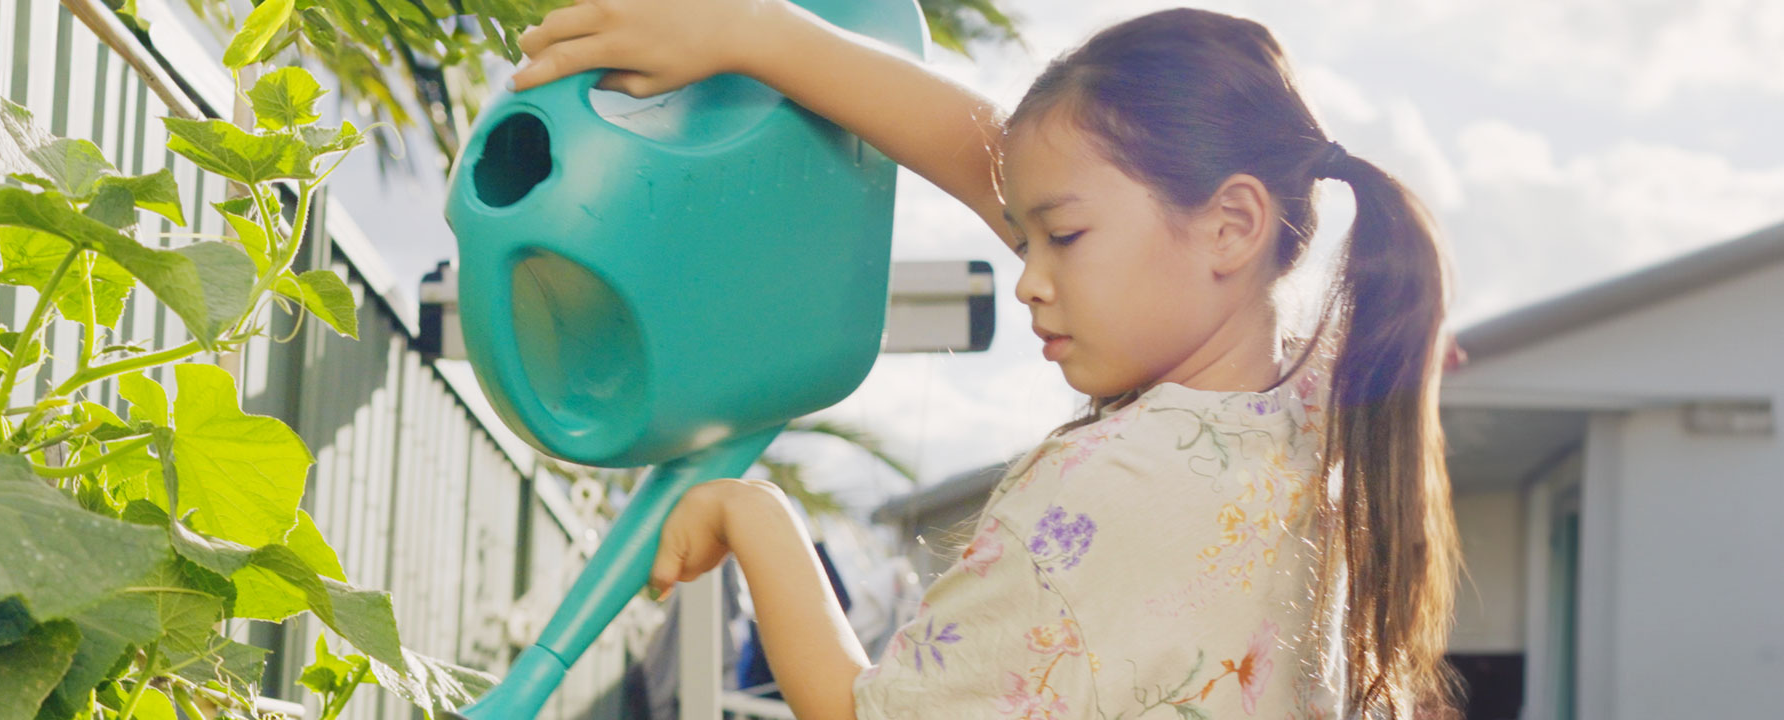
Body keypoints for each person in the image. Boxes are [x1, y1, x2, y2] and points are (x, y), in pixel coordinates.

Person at [512, 3, 1462, 718]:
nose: (1028, 282)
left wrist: (751, 517)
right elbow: (1012, 166)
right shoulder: (1308, 425)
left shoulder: (1117, 487)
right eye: (1022, 240)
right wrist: (759, 36)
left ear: (1232, 225)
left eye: (1061, 239)